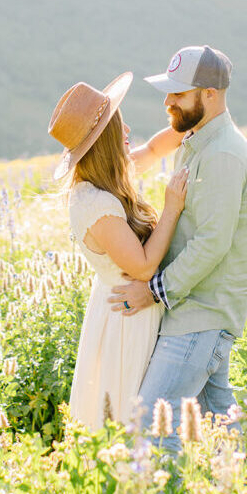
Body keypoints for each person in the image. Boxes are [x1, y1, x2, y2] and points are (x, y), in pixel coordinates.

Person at [109, 45, 247, 454]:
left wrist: (152, 289)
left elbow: (211, 244)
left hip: (201, 313)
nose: (167, 101)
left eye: (178, 93)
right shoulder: (197, 141)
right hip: (195, 308)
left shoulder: (223, 155)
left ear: (209, 94)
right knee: (222, 422)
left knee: (152, 424)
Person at [47, 71, 188, 430]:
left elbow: (156, 148)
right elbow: (142, 267)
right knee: (128, 415)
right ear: (104, 141)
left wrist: (193, 123)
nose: (127, 133)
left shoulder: (109, 175)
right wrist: (171, 207)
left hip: (134, 307)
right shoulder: (94, 203)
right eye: (118, 128)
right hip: (126, 319)